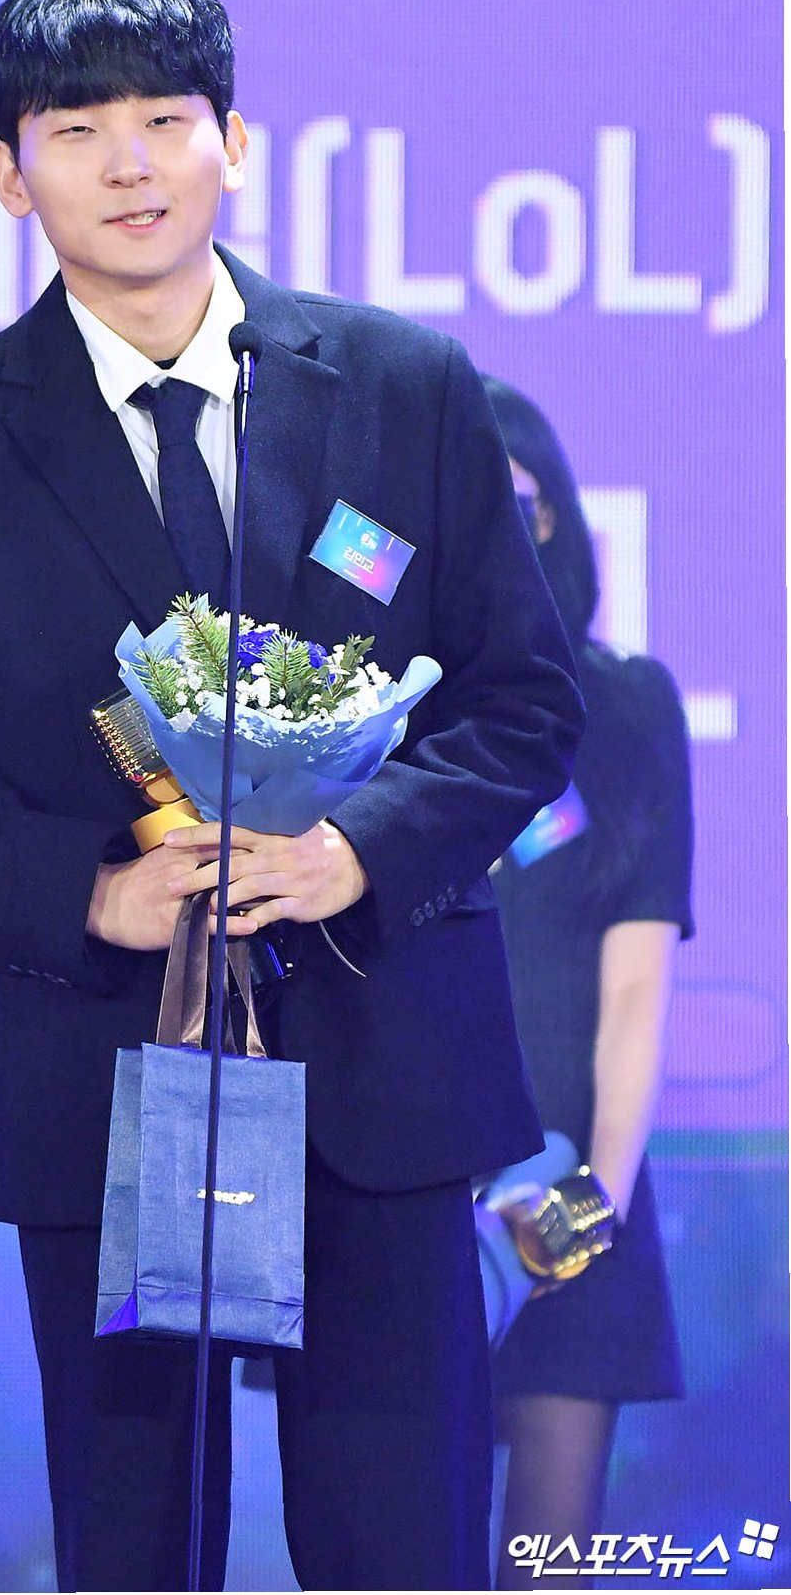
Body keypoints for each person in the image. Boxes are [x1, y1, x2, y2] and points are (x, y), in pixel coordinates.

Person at [0, 0, 584, 1594]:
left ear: (233, 142)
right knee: (134, 1547)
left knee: (400, 1545)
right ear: (6, 173)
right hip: (110, 1081)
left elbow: (524, 703)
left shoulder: (405, 388)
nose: (129, 164)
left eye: (165, 120)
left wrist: (357, 850)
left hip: (383, 1064)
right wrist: (93, 893)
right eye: (75, 130)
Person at [481, 377, 693, 1589]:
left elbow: (635, 986)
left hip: (573, 1176)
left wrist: (593, 1199)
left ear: (554, 514)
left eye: (516, 504)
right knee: (392, 1543)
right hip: (406, 1179)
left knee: (549, 1559)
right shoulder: (374, 705)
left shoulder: (624, 702)